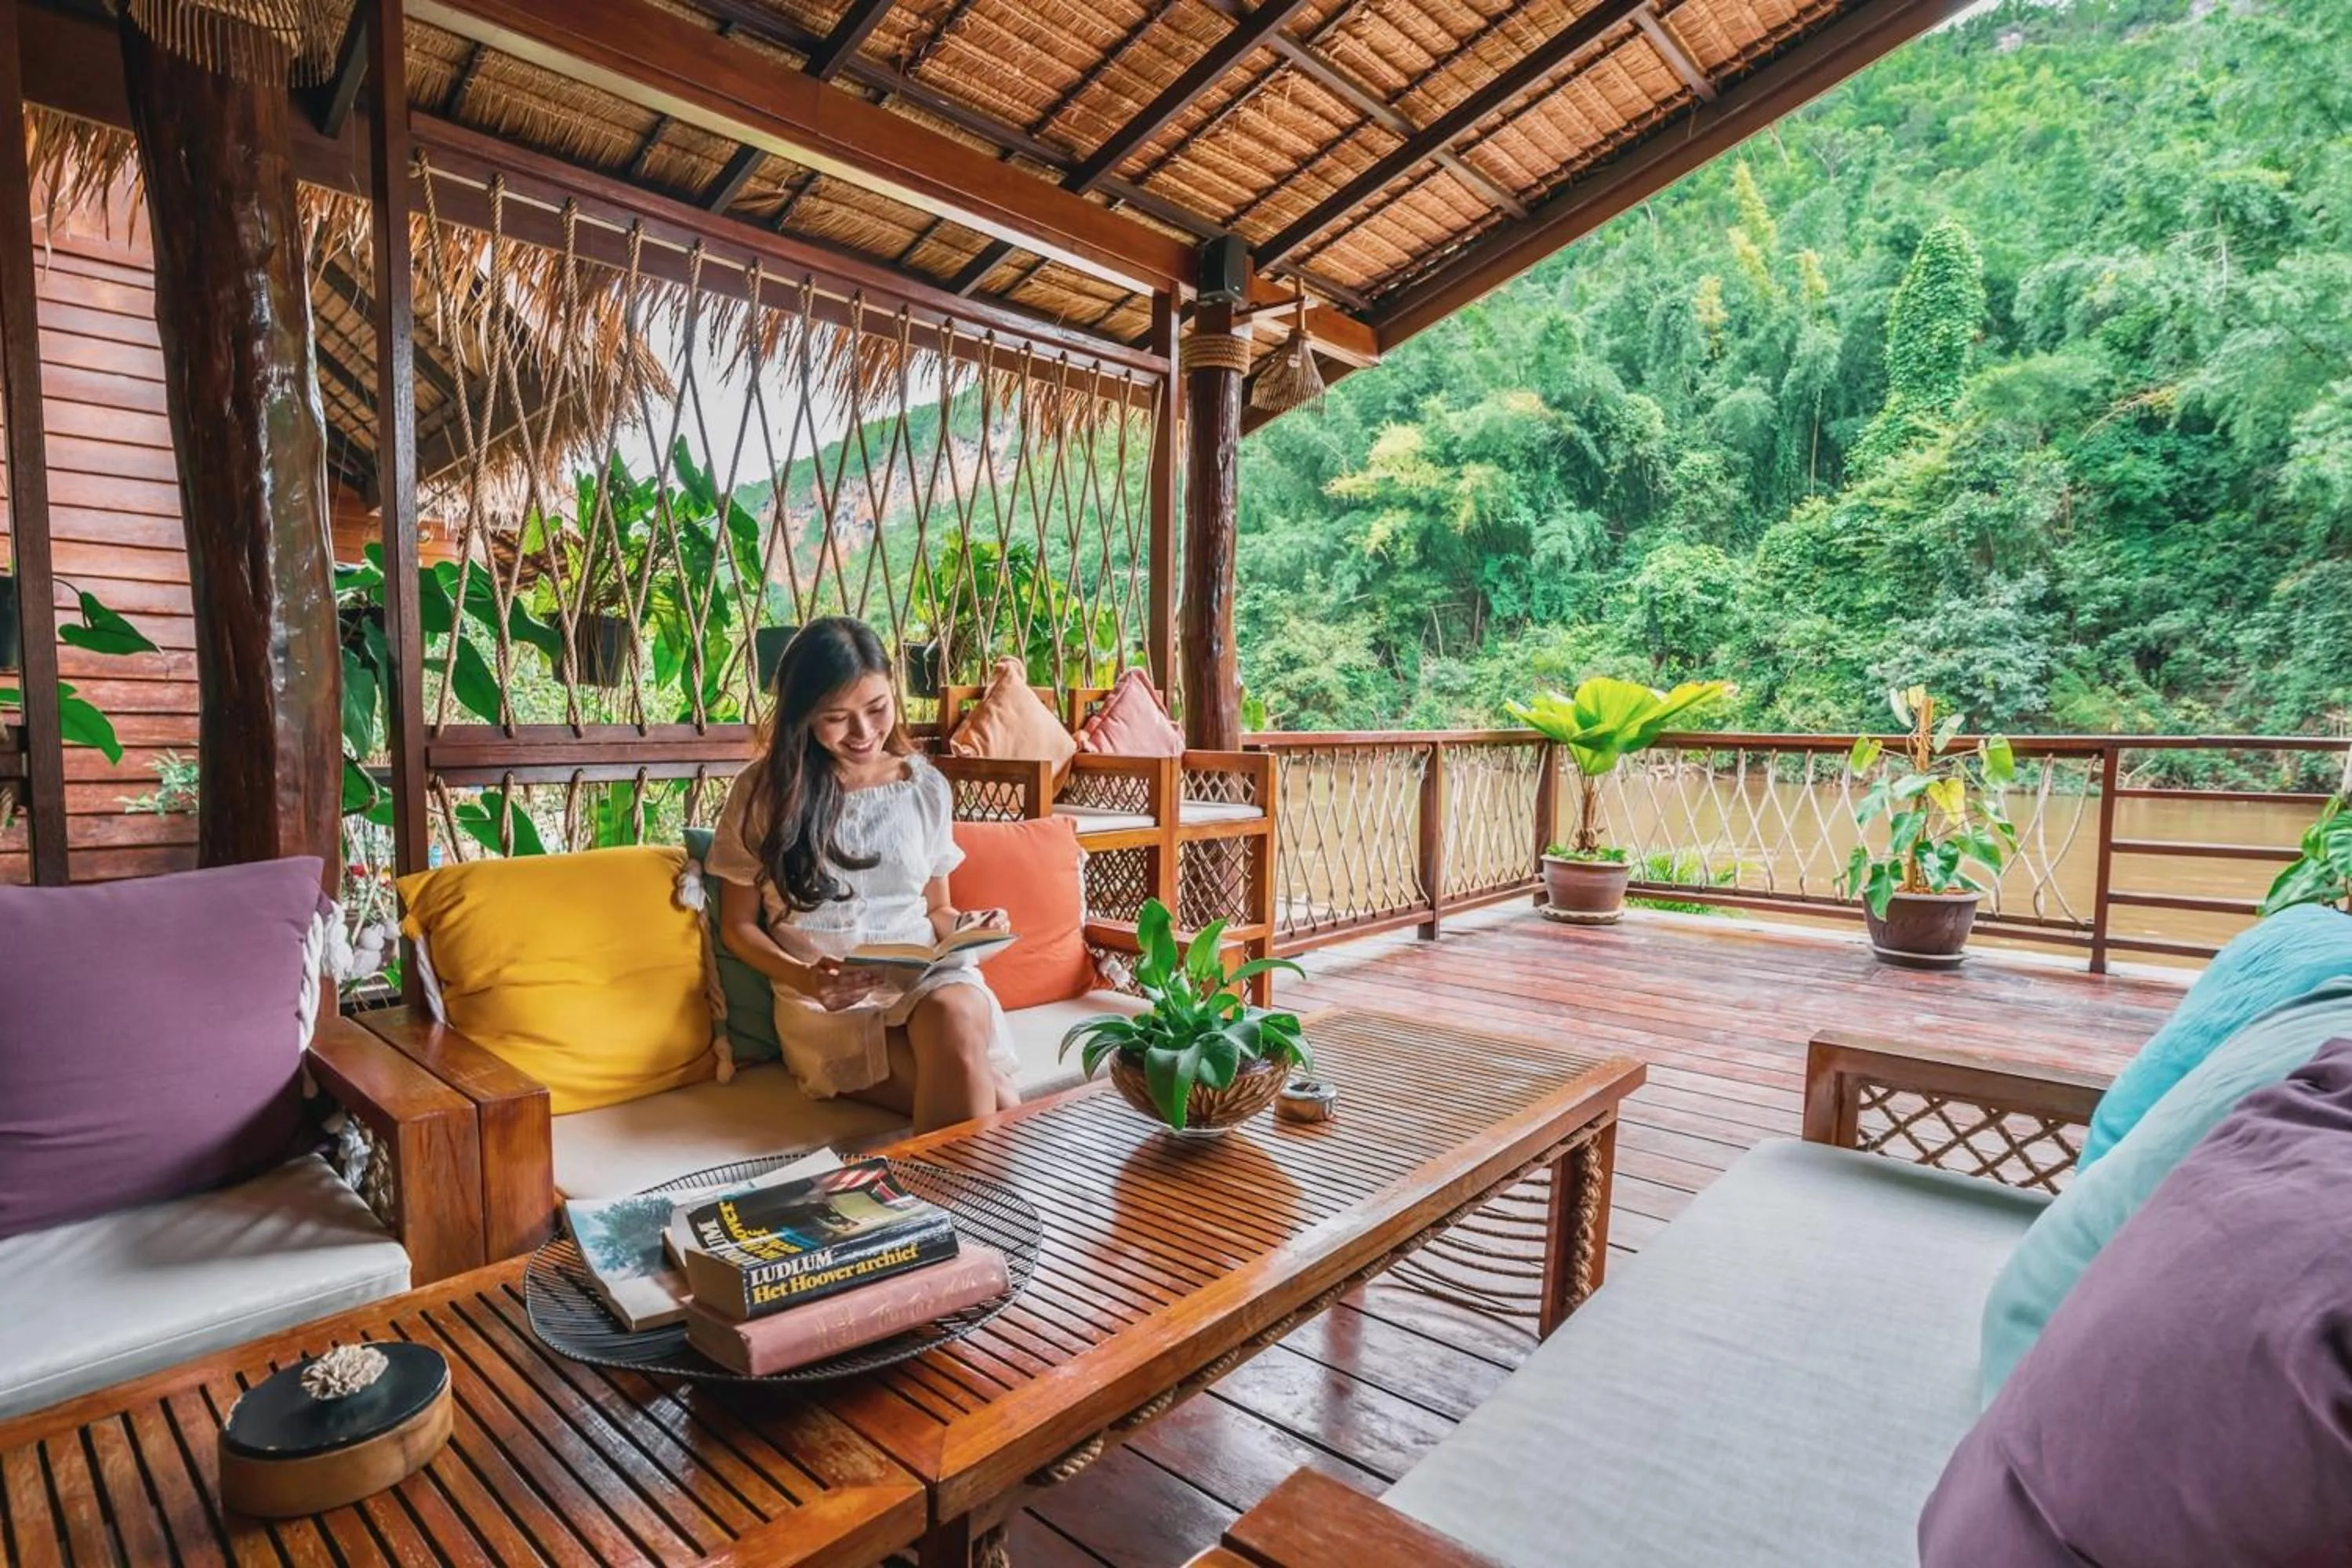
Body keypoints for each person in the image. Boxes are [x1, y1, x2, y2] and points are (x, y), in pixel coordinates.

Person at [706, 616, 1018, 1133]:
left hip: (924, 982)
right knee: (1000, 1102)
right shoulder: (763, 793)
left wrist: (968, 929)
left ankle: (945, 1209)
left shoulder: (924, 786)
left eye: (877, 709)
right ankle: (960, 1207)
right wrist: (806, 977)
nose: (864, 733)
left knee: (955, 1011)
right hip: (827, 1004)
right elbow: (737, 927)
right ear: (802, 715)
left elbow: (937, 908)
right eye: (836, 717)